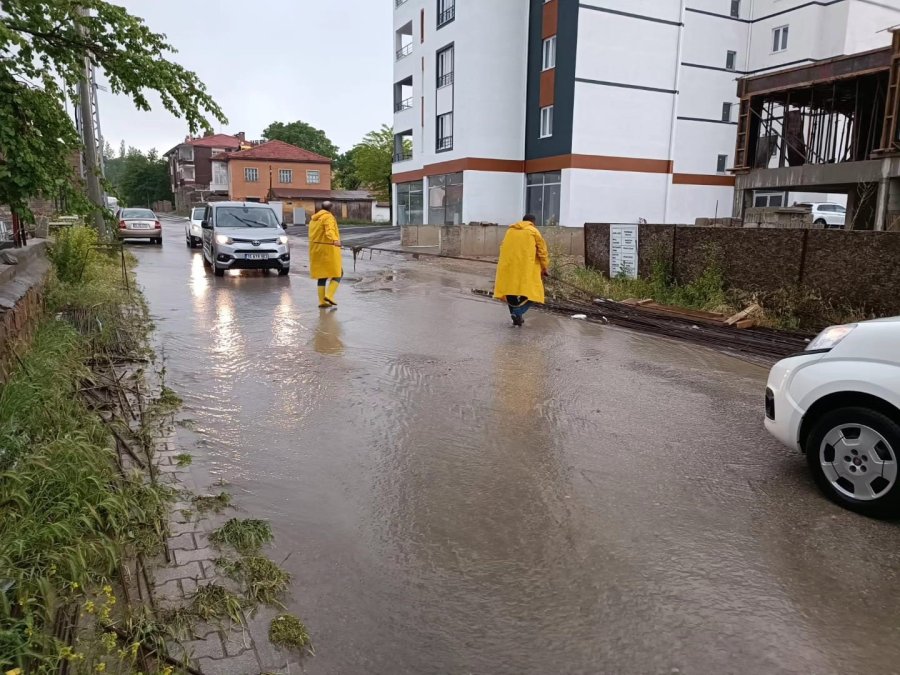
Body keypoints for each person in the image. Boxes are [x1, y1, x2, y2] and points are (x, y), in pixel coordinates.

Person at [493, 214, 550, 327]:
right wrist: (544, 267)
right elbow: (542, 251)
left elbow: (502, 247)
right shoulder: (533, 231)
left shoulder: (510, 231)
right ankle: (517, 312)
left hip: (508, 266)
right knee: (534, 293)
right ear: (533, 222)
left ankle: (516, 318)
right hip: (526, 268)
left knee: (510, 291)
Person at [308, 201, 343, 308]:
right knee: (338, 273)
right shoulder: (328, 217)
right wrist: (335, 240)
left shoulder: (314, 219)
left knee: (322, 275)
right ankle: (329, 295)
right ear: (331, 209)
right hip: (327, 250)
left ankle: (322, 302)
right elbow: (329, 230)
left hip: (316, 250)